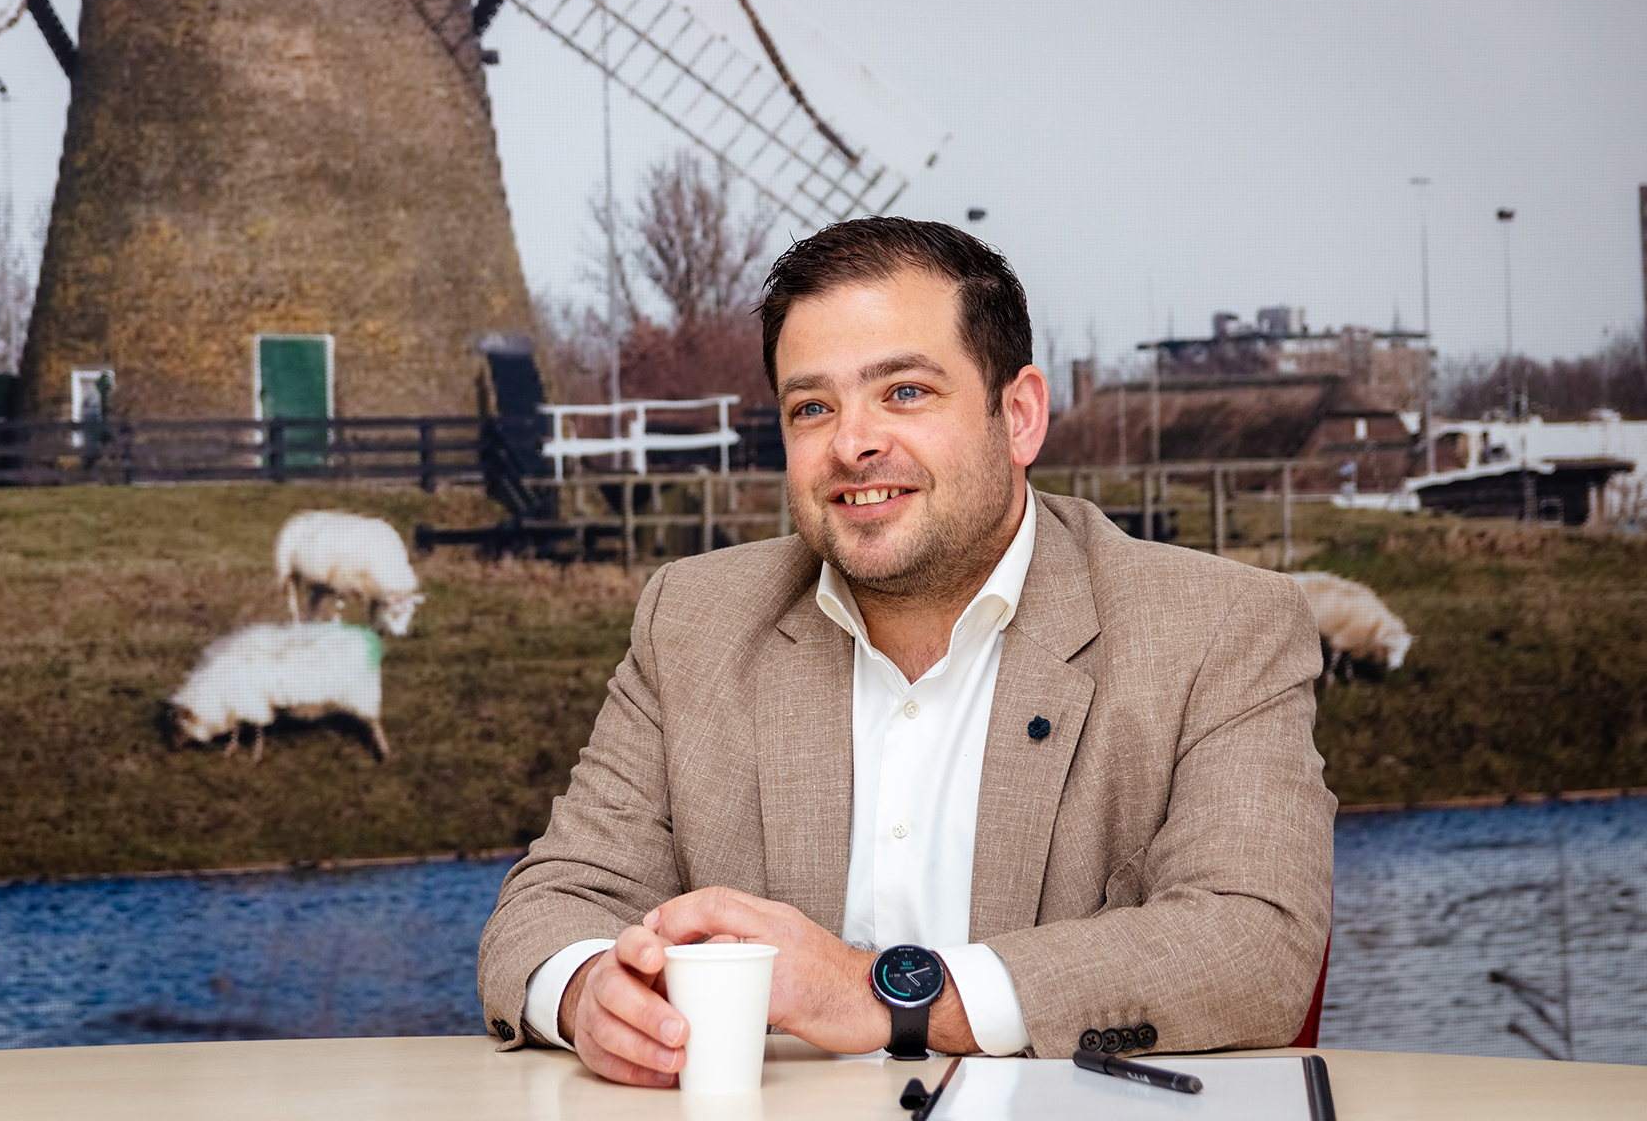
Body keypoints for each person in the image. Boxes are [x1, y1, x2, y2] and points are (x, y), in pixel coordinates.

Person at [477, 217, 1333, 1085]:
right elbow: (548, 906)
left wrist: (882, 997)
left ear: (1021, 416)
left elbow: (1256, 941)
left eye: (906, 393)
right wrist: (588, 992)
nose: (852, 444)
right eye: (812, 407)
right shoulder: (692, 620)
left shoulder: (1222, 625)